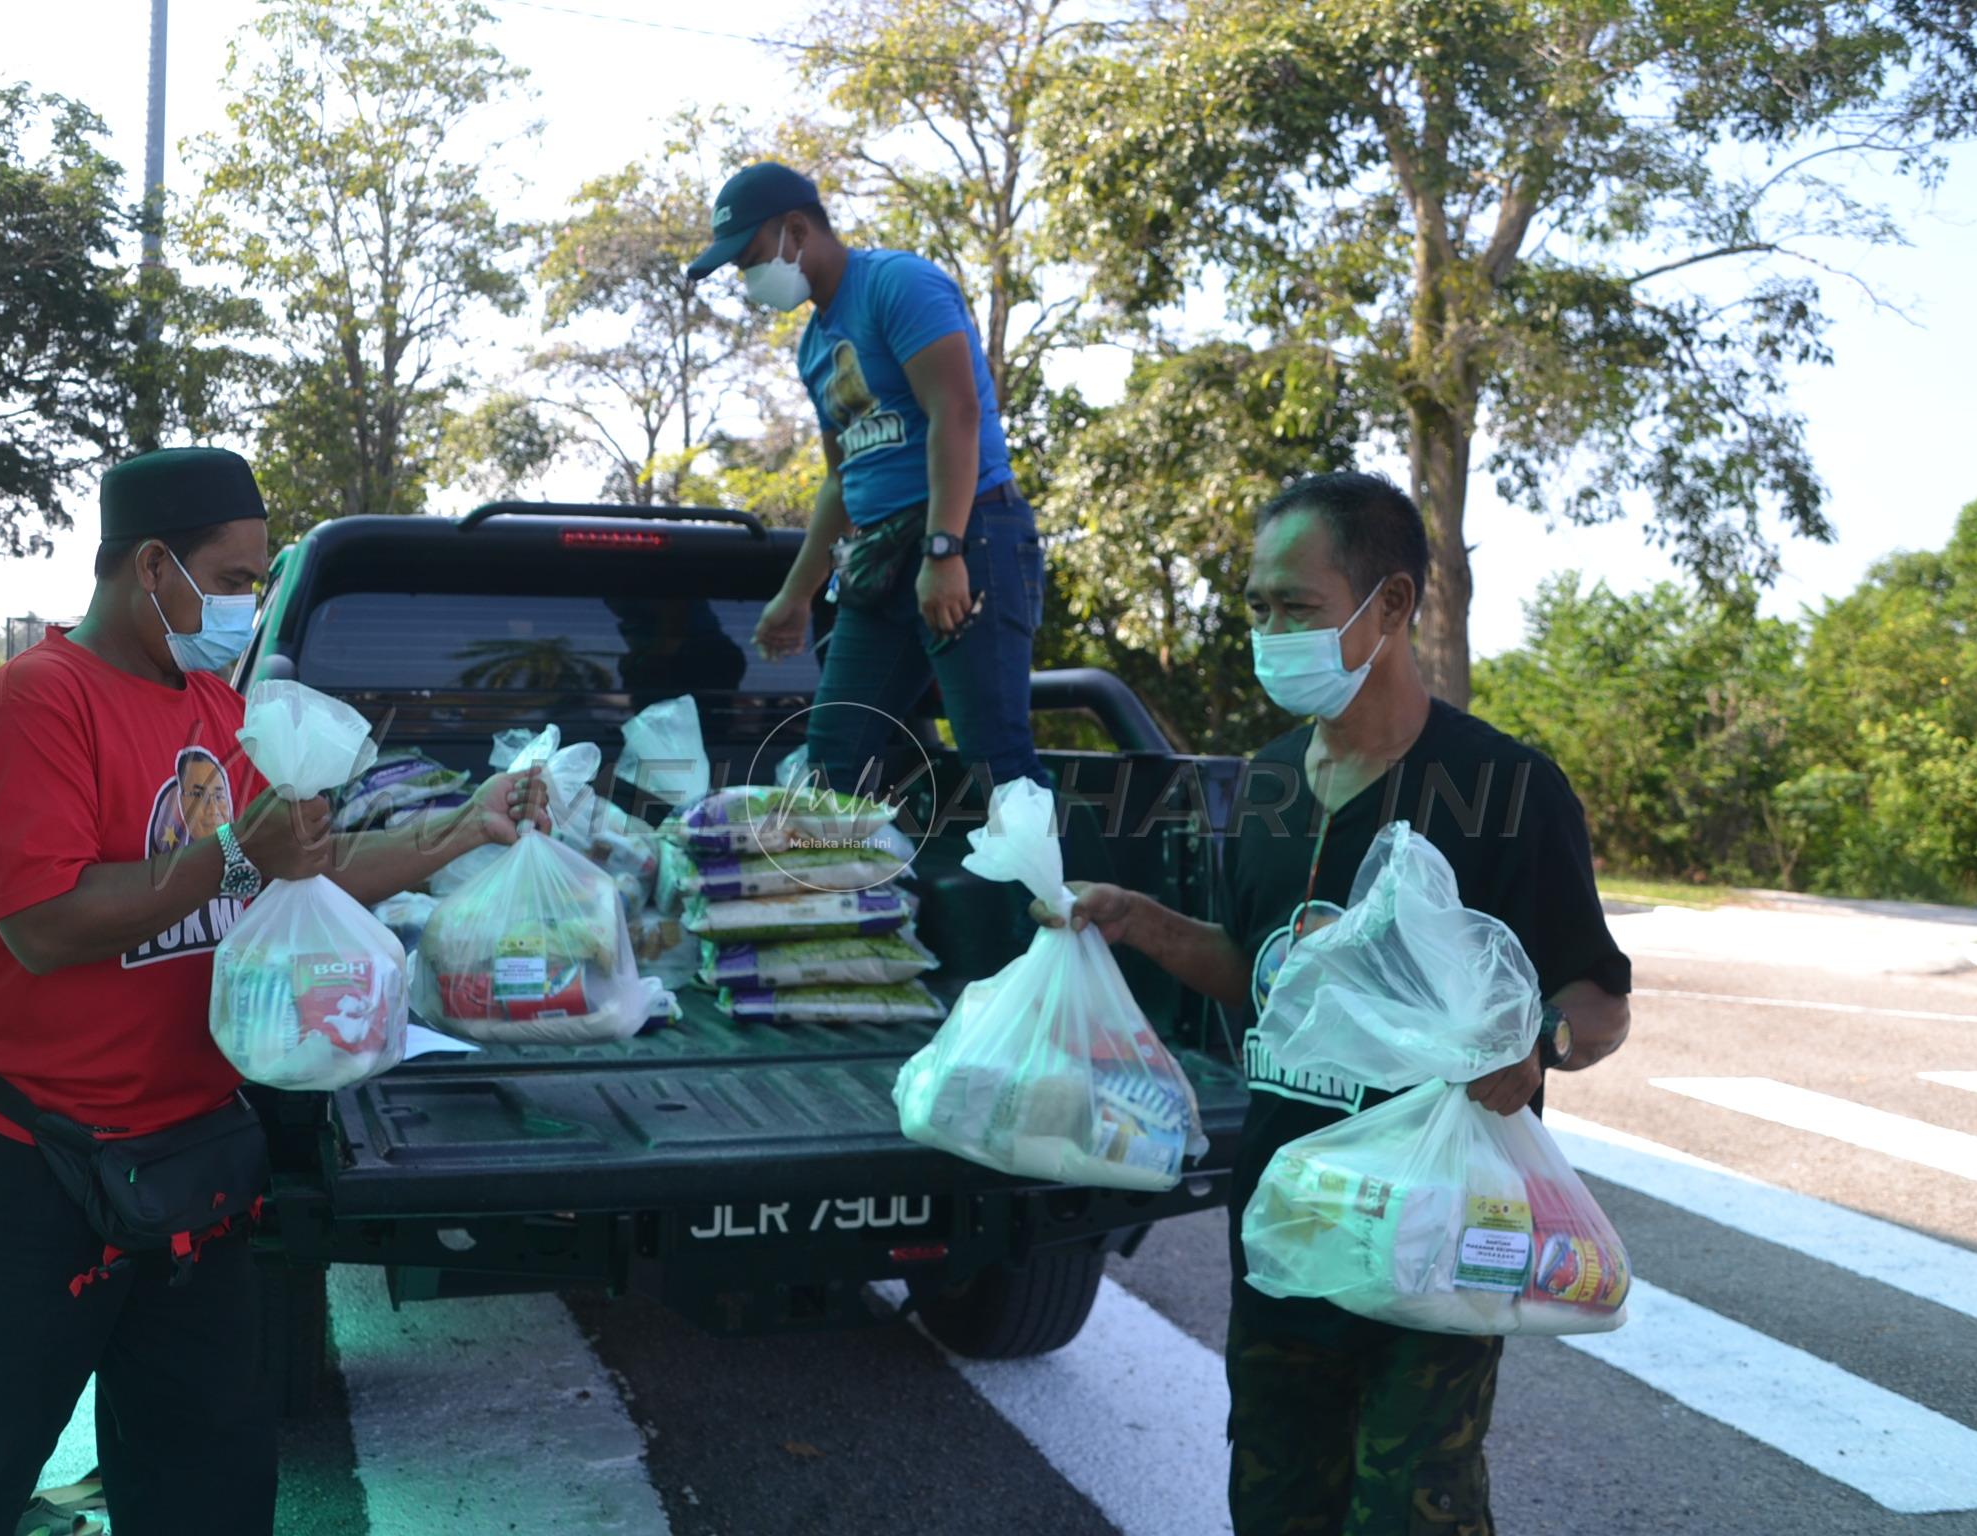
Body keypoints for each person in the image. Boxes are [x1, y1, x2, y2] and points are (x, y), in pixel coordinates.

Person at [0, 446, 548, 1536]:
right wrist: (237, 858)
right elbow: (44, 926)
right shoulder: (36, 702)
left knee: (205, 1481)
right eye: (235, 580)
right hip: (26, 1162)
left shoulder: (211, 708)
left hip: (190, 1159)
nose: (247, 606)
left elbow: (307, 868)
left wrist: (464, 826)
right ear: (152, 566)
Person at [1041, 472, 1633, 1535]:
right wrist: (1144, 920)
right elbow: (1265, 976)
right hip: (1287, 1221)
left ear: (1393, 606)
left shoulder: (1503, 788)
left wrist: (1539, 1042)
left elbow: (1599, 1003)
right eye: (1259, 606)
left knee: (1412, 1509)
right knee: (1275, 1502)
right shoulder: (1266, 783)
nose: (1270, 632)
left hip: (1441, 1233)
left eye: (1296, 608)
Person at [685, 162, 1048, 797]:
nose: (748, 279)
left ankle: (1079, 900)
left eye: (749, 258)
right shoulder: (813, 346)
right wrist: (797, 595)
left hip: (971, 535)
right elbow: (839, 483)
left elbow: (956, 413)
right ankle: (827, 896)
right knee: (832, 759)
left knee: (997, 760)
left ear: (797, 229)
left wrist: (945, 549)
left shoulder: (896, 284)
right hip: (879, 557)